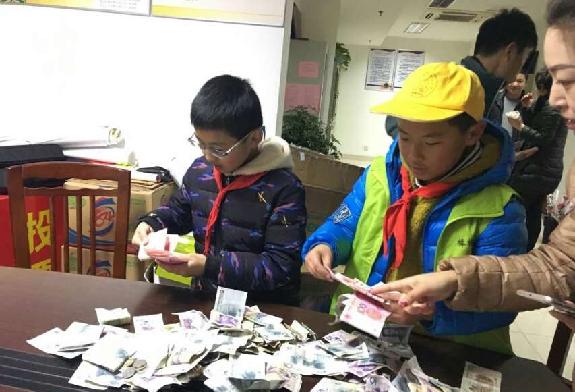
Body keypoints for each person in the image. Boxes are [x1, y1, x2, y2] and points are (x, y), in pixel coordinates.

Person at [303, 62, 527, 354]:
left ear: (473, 133)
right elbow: (344, 223)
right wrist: (325, 244)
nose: (413, 154)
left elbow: (502, 301)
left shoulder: (500, 208)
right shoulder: (381, 174)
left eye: (431, 142)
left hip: (447, 350)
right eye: (404, 137)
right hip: (365, 329)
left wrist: (432, 313)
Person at [372, 0, 575, 315]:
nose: (557, 99)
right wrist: (455, 281)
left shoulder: (499, 205)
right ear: (510, 51)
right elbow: (561, 263)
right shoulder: (465, 85)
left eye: (568, 79)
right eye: (407, 138)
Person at [132, 75, 307, 304]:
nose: (207, 156)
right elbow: (179, 210)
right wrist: (152, 223)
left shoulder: (284, 189)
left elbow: (280, 266)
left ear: (254, 138)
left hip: (262, 308)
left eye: (218, 149)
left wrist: (209, 266)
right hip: (206, 298)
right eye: (200, 143)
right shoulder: (201, 171)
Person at [386, 8, 538, 138]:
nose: (521, 67)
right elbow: (394, 120)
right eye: (524, 57)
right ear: (510, 52)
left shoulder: (490, 90)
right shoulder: (452, 81)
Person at [508, 68, 569, 250]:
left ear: (543, 86)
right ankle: (526, 250)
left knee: (518, 208)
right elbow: (535, 126)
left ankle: (519, 249)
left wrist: (520, 126)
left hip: (538, 170)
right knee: (532, 211)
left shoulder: (554, 108)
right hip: (541, 169)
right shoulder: (546, 102)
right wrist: (526, 108)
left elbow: (543, 139)